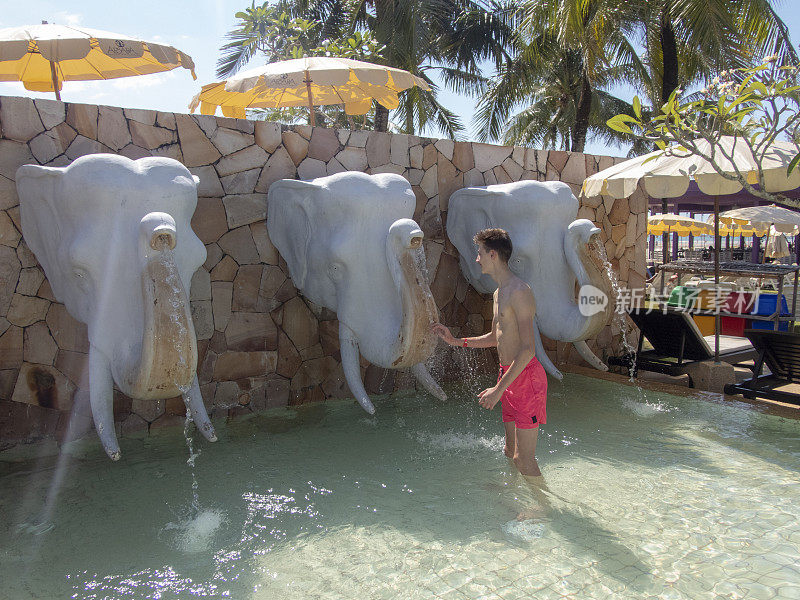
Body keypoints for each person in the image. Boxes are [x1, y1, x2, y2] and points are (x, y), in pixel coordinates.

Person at [432, 228, 547, 477]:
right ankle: (516, 497)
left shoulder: (520, 292)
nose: (477, 258)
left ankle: (541, 510)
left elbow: (528, 349)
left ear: (493, 254)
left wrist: (498, 390)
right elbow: (496, 337)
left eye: (480, 253)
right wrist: (455, 340)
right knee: (509, 450)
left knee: (523, 459)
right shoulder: (498, 293)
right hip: (508, 374)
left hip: (526, 377)